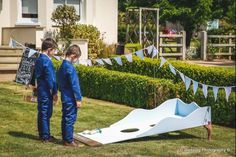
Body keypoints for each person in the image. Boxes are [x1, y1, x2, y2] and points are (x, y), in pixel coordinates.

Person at [58, 45, 82, 147]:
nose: (76, 61)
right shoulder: (70, 68)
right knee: (70, 119)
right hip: (70, 98)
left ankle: (65, 138)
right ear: (73, 56)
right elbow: (75, 85)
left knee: (65, 117)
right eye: (77, 58)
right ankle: (68, 140)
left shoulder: (62, 66)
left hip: (64, 96)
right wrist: (78, 99)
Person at [35, 38, 58, 142]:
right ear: (49, 49)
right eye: (54, 50)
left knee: (42, 112)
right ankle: (45, 136)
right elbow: (51, 79)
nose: (54, 53)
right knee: (46, 113)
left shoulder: (39, 59)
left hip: (40, 89)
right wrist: (54, 92)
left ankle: (43, 134)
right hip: (46, 91)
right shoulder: (47, 61)